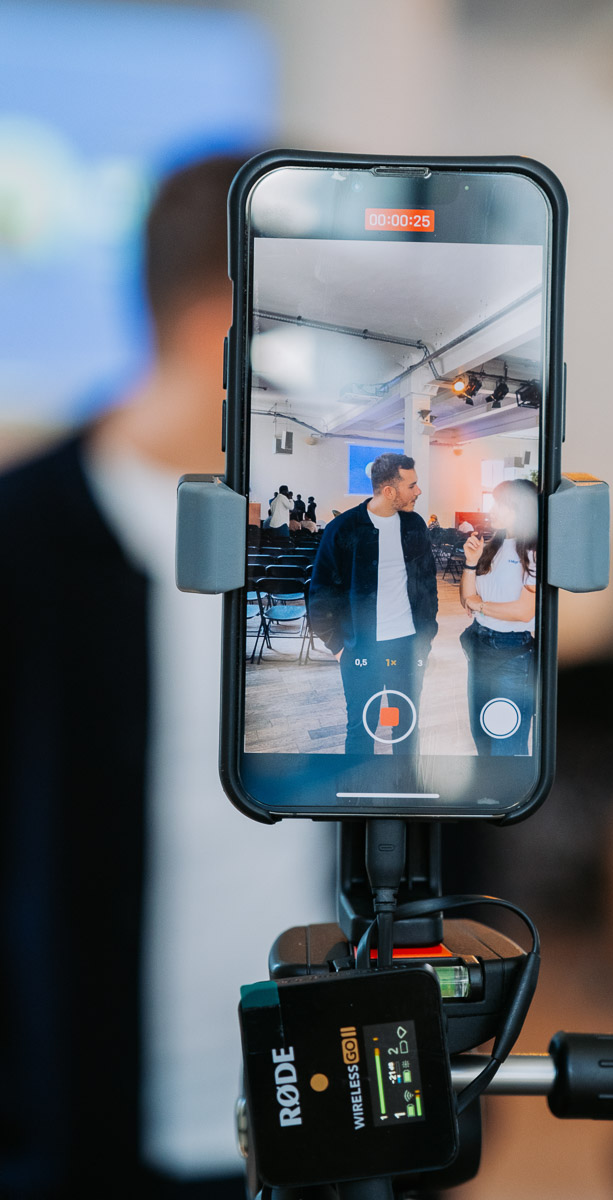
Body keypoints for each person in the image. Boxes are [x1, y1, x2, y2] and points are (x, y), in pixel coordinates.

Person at [0, 154, 332, 1198]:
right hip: (79, 1144)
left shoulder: (352, 533)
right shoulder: (22, 545)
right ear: (223, 330)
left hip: (327, 1132)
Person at [308, 452, 438, 754]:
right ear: (389, 491)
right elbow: (321, 593)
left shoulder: (414, 525)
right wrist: (337, 645)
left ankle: (405, 781)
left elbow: (428, 583)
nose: (418, 491)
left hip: (408, 646)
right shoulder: (343, 529)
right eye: (412, 486)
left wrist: (426, 636)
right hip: (361, 647)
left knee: (406, 726)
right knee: (361, 728)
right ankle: (358, 782)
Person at [459, 479, 538, 756]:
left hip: (512, 652)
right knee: (481, 734)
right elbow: (467, 600)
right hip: (479, 643)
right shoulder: (493, 545)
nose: (492, 510)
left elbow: (523, 611)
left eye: (500, 504)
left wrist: (479, 605)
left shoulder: (534, 552)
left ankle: (509, 785)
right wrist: (471, 562)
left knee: (507, 743)